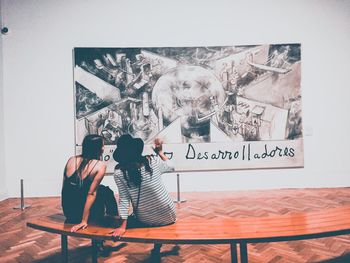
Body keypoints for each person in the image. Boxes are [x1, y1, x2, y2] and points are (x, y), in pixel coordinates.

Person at [111, 134, 176, 253]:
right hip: (169, 215)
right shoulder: (152, 161)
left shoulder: (119, 172)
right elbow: (172, 167)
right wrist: (160, 152)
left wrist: (122, 227)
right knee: (156, 211)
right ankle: (157, 246)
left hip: (145, 219)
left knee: (115, 220)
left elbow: (124, 200)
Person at [61, 134, 118, 233]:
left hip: (69, 212)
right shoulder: (100, 166)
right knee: (106, 192)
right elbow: (91, 194)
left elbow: (65, 188)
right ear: (98, 148)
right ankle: (113, 222)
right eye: (102, 145)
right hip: (81, 214)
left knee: (104, 190)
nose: (103, 148)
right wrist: (83, 221)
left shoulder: (71, 160)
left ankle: (113, 219)